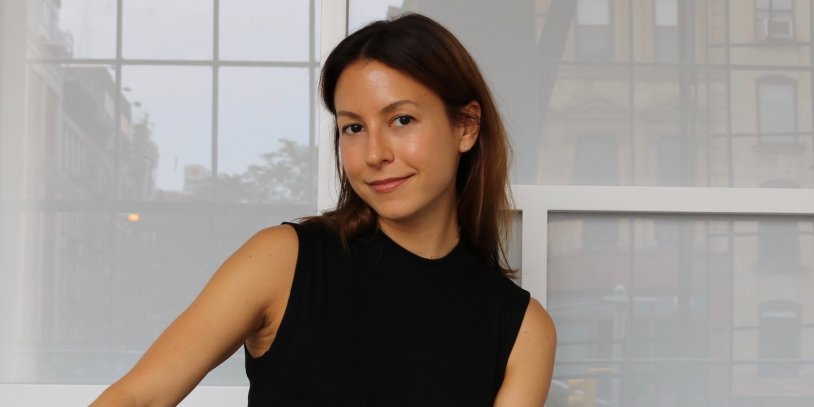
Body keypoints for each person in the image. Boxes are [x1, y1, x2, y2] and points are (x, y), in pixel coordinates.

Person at [91, 13, 556, 406]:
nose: (375, 153)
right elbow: (137, 398)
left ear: (466, 127)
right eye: (353, 128)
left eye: (401, 120)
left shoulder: (522, 330)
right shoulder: (282, 261)